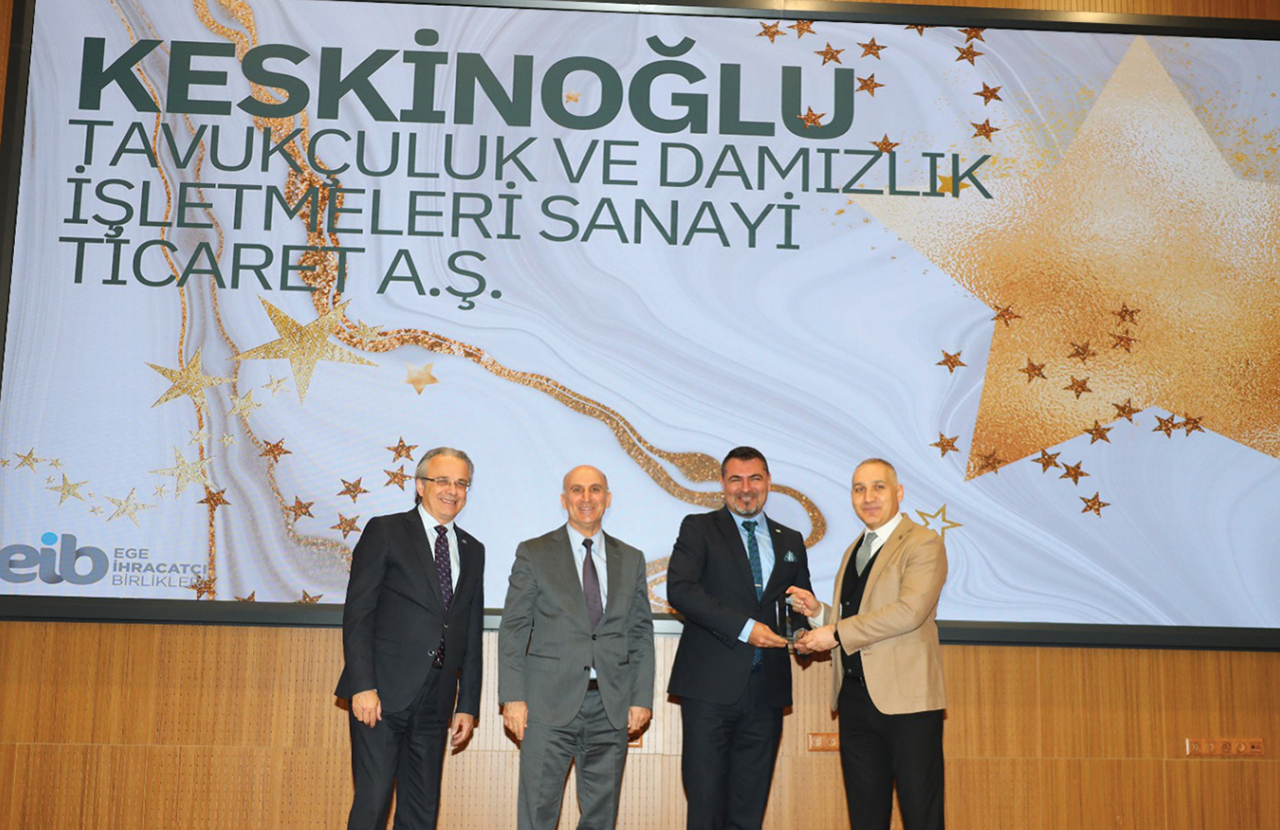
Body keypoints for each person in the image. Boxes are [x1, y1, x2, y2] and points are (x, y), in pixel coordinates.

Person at [334, 446, 486, 830]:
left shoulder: (473, 549)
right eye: (442, 480)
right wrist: (362, 686)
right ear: (420, 485)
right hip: (381, 694)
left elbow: (469, 632)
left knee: (421, 811)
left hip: (436, 700)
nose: (452, 490)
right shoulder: (385, 531)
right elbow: (359, 614)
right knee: (372, 803)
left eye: (461, 483)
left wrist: (467, 704)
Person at [666, 446, 816, 830]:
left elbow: (797, 606)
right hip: (708, 691)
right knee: (706, 808)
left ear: (768, 483)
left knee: (750, 811)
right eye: (736, 479)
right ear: (722, 484)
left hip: (767, 692)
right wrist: (747, 629)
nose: (746, 489)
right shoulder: (698, 528)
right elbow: (681, 590)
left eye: (754, 479)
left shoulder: (791, 540)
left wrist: (804, 630)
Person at [499, 465, 655, 830]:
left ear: (608, 499)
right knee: (537, 814)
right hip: (546, 704)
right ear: (564, 499)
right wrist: (513, 697)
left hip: (611, 705)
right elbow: (514, 629)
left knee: (601, 817)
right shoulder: (534, 552)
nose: (586, 498)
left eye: (595, 489)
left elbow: (640, 633)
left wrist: (641, 698)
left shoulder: (631, 558)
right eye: (577, 490)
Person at [795, 458, 947, 830]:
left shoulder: (924, 542)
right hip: (855, 700)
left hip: (908, 703)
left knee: (921, 816)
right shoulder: (854, 549)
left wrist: (834, 633)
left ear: (899, 493)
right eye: (859, 489)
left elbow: (908, 612)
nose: (868, 497)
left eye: (878, 487)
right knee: (865, 818)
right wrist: (819, 613)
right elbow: (858, 617)